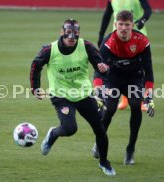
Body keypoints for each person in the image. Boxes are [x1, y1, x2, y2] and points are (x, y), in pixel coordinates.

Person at [30, 19, 116, 176]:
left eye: (74, 33)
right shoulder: (49, 50)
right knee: (70, 129)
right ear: (61, 32)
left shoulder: (87, 46)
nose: (71, 37)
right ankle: (53, 134)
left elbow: (101, 66)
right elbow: (36, 66)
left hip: (83, 94)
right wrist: (35, 89)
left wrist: (104, 68)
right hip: (61, 95)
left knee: (100, 130)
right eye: (67, 33)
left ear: (78, 34)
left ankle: (104, 162)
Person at [92, 10, 155, 165]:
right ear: (115, 25)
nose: (123, 28)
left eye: (127, 24)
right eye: (120, 24)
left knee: (135, 105)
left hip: (134, 78)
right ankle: (99, 144)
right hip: (112, 79)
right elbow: (98, 72)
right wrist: (98, 94)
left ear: (132, 25)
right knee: (110, 109)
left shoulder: (142, 42)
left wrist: (149, 96)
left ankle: (130, 149)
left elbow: (149, 71)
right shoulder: (107, 44)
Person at [95, 0, 152, 110]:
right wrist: (101, 34)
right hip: (117, 38)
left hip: (138, 37)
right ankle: (125, 98)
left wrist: (143, 20)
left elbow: (148, 10)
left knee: (139, 68)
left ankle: (142, 98)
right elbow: (107, 15)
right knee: (118, 68)